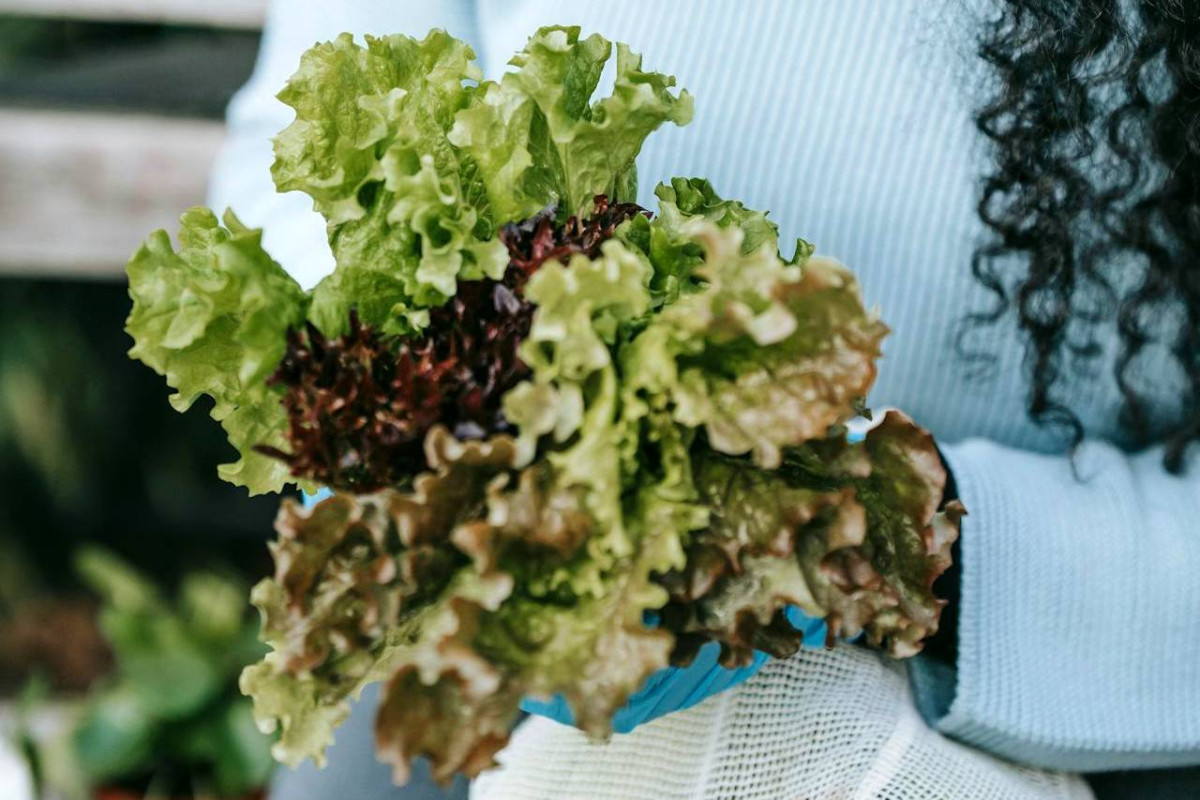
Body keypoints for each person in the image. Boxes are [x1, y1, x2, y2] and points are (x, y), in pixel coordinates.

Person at [208, 1, 1200, 797]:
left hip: (1075, 677)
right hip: (508, 633)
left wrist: (874, 530)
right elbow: (308, 123)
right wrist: (395, 394)